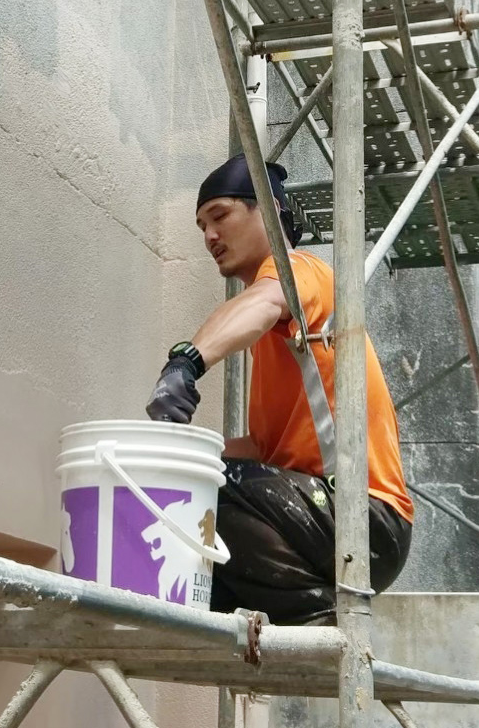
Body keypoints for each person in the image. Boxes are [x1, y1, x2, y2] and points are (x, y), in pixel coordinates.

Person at [145, 154, 413, 625]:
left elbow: (266, 299)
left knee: (206, 491)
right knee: (190, 516)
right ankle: (276, 621)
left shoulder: (299, 271)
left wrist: (186, 362)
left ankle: (317, 615)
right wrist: (175, 455)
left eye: (220, 215)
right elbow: (265, 449)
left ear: (267, 211)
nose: (209, 236)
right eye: (202, 225)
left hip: (365, 517)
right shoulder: (276, 340)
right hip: (320, 515)